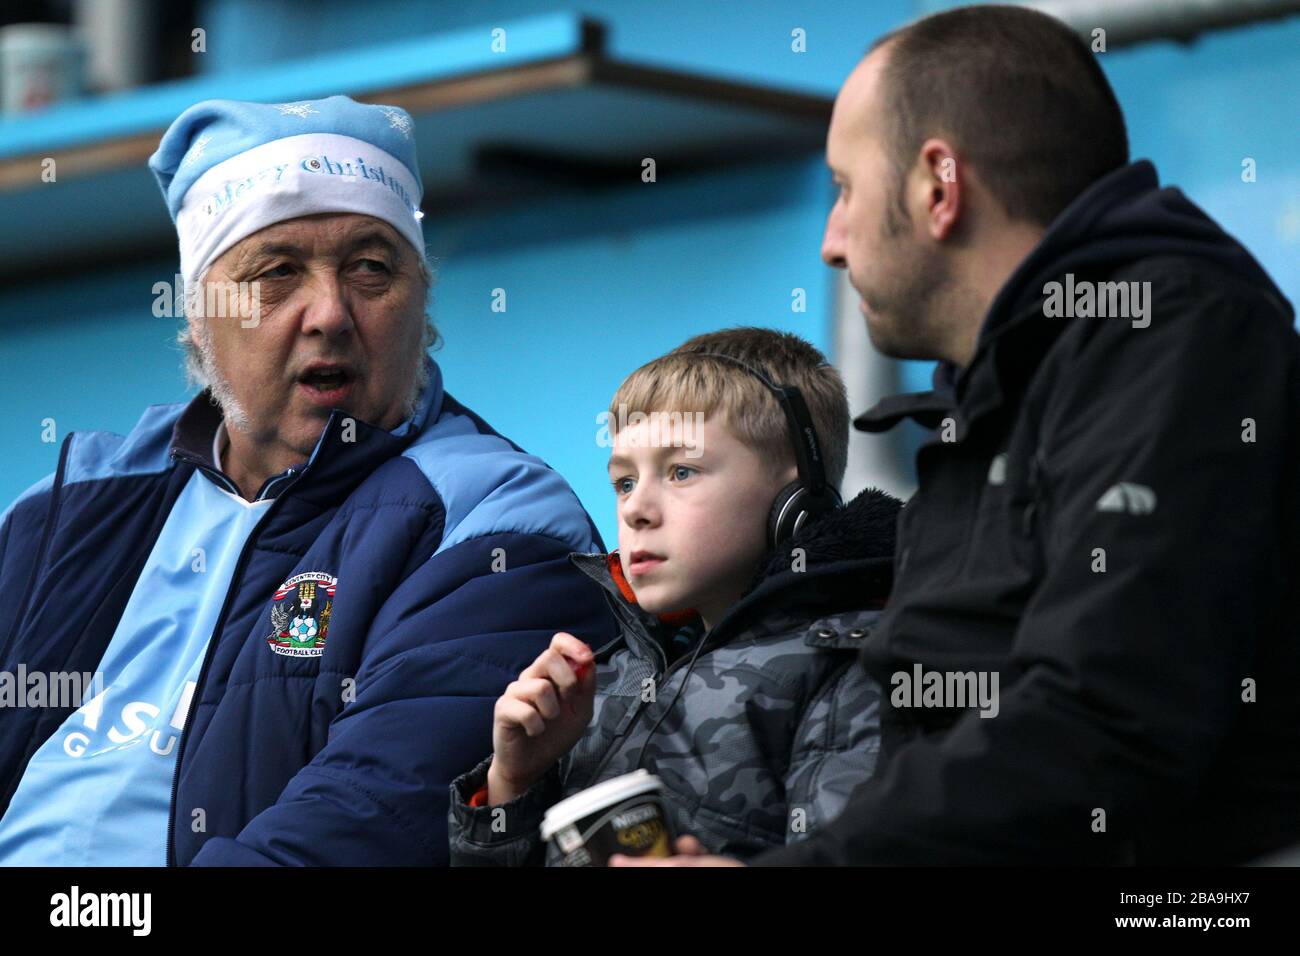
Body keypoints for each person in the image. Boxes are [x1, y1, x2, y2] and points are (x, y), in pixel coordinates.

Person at [622, 4, 1300, 867]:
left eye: (843, 189)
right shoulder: (1006, 387)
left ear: (939, 187)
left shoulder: (1173, 340)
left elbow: (1100, 725)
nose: (830, 244)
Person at [0, 95, 613, 865]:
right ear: (197, 313)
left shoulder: (500, 520)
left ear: (421, 300)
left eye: (370, 268)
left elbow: (364, 827)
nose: (329, 312)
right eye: (277, 271)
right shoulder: (68, 507)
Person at [446, 327, 899, 864]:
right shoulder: (602, 680)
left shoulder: (851, 668)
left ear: (797, 501)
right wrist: (513, 782)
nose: (636, 509)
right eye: (624, 483)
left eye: (681, 471)